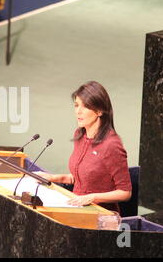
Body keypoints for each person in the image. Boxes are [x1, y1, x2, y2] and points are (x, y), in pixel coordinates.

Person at [36, 81, 132, 213]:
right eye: (76, 105)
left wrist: (93, 197)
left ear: (99, 111)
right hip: (77, 208)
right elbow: (78, 178)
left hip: (101, 216)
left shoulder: (112, 145)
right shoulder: (79, 135)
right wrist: (51, 177)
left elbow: (125, 192)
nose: (78, 111)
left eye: (85, 106)